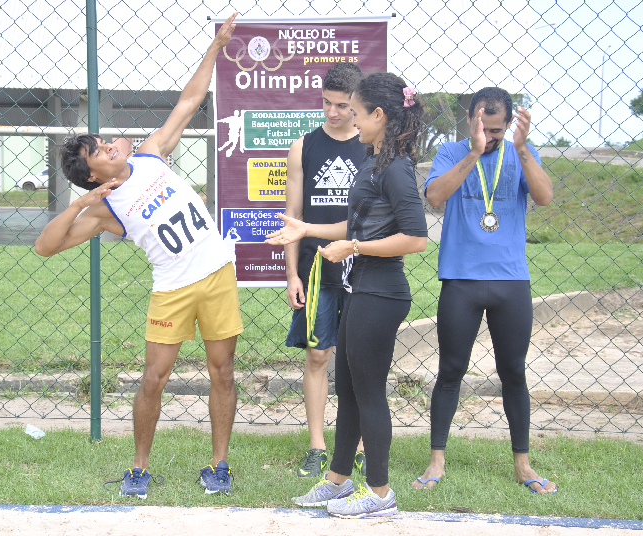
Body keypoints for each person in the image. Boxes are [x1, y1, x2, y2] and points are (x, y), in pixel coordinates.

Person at [35, 13, 241, 499]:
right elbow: (46, 246)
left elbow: (189, 101)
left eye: (104, 141)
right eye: (99, 151)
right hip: (171, 289)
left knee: (222, 371)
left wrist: (216, 47)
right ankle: (139, 468)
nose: (109, 146)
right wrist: (79, 205)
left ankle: (220, 464)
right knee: (153, 378)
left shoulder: (151, 155)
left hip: (216, 273)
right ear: (92, 175)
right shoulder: (104, 209)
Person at [267, 72, 428, 518]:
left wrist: (354, 248)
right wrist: (306, 229)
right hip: (362, 287)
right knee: (350, 389)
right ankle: (338, 480)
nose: (351, 121)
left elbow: (416, 238)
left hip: (382, 292)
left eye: (356, 113)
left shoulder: (397, 169)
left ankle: (380, 493)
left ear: (379, 115)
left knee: (369, 392)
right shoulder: (374, 161)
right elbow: (356, 224)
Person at [413, 87, 555, 494]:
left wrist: (522, 149)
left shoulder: (521, 153)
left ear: (509, 125)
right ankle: (436, 461)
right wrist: (474, 152)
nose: (489, 137)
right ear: (469, 119)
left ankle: (523, 465)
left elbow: (545, 197)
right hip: (461, 279)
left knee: (513, 371)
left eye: (497, 130)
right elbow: (435, 197)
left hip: (511, 280)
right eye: (482, 128)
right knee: (451, 370)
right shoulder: (451, 152)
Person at [283, 62, 367, 479]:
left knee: (360, 359)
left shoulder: (372, 147)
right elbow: (293, 216)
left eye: (342, 106)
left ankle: (361, 445)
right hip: (315, 268)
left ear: (358, 105)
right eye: (326, 103)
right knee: (318, 354)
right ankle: (317, 445)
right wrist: (291, 275)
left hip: (362, 266)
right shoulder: (303, 146)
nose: (332, 112)